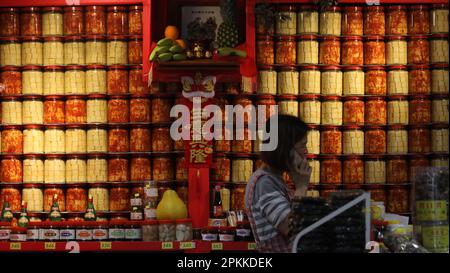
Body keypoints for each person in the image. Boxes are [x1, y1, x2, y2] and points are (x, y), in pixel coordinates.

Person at [245, 114, 312, 253]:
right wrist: (301, 187)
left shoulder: (275, 180)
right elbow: (290, 227)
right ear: (285, 148)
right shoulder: (264, 183)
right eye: (302, 145)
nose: (306, 152)